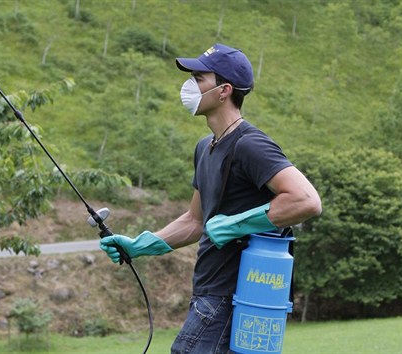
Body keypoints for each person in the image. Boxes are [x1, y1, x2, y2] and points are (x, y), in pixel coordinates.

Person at [99, 43, 322, 354]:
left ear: (224, 90)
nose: (189, 85)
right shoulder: (206, 147)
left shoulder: (250, 145)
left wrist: (235, 225)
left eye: (199, 78)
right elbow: (194, 220)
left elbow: (306, 200)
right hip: (207, 290)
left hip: (232, 295)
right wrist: (139, 245)